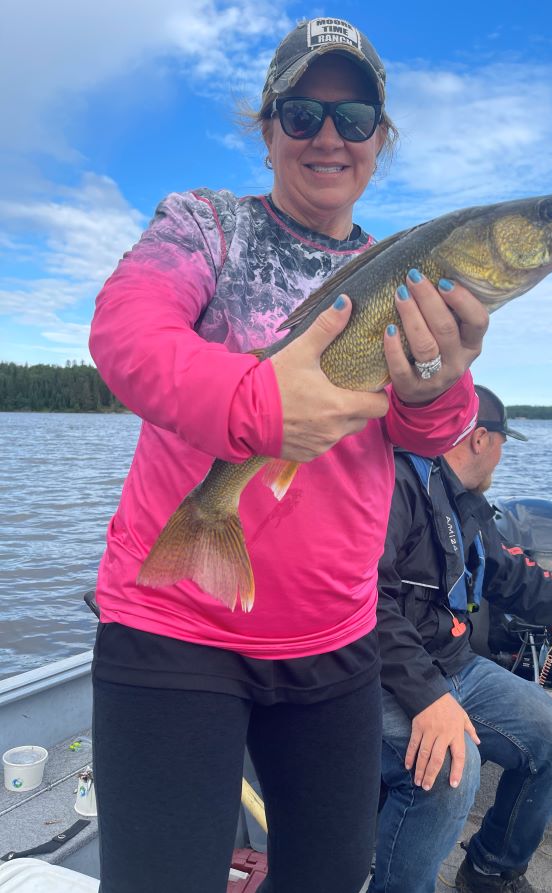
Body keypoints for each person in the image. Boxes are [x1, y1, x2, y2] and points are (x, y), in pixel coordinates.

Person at [87, 17, 490, 893]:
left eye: (354, 119)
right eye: (303, 112)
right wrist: (256, 405)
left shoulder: (406, 270)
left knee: (329, 877)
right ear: (266, 130)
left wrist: (438, 389)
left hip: (334, 641)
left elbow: (425, 431)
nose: (328, 137)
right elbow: (126, 334)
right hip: (173, 626)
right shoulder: (205, 225)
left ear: (381, 140)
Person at [371, 384, 552, 893]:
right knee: (453, 772)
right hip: (389, 678)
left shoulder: (465, 504)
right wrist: (427, 696)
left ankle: (491, 869)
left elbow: (515, 579)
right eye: (502, 441)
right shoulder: (397, 485)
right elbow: (369, 602)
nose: (502, 453)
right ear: (480, 439)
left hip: (455, 666)